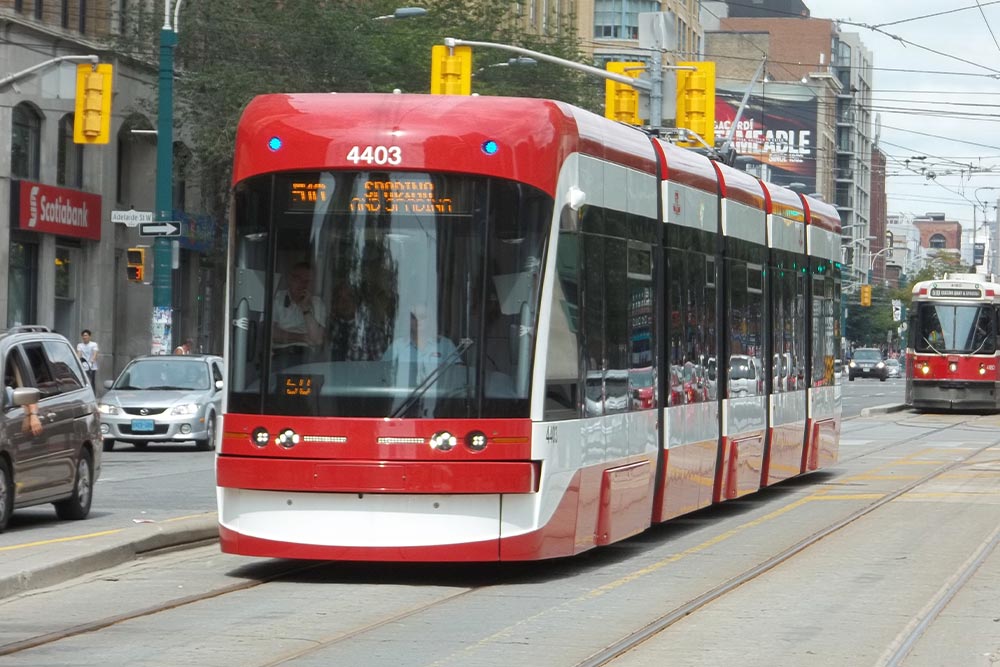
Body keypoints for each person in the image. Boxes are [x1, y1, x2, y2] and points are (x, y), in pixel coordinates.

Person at [272, 262, 327, 369]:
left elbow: (317, 339)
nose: (302, 284)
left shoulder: (317, 303)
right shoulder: (276, 298)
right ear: (289, 279)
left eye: (307, 281)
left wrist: (305, 308)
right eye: (298, 279)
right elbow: (270, 333)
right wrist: (303, 337)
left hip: (307, 357)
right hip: (280, 355)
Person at [382, 304, 458, 370]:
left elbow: (457, 374)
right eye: (414, 317)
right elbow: (383, 372)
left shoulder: (446, 345)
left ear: (430, 319)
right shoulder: (398, 346)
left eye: (422, 317)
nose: (418, 320)